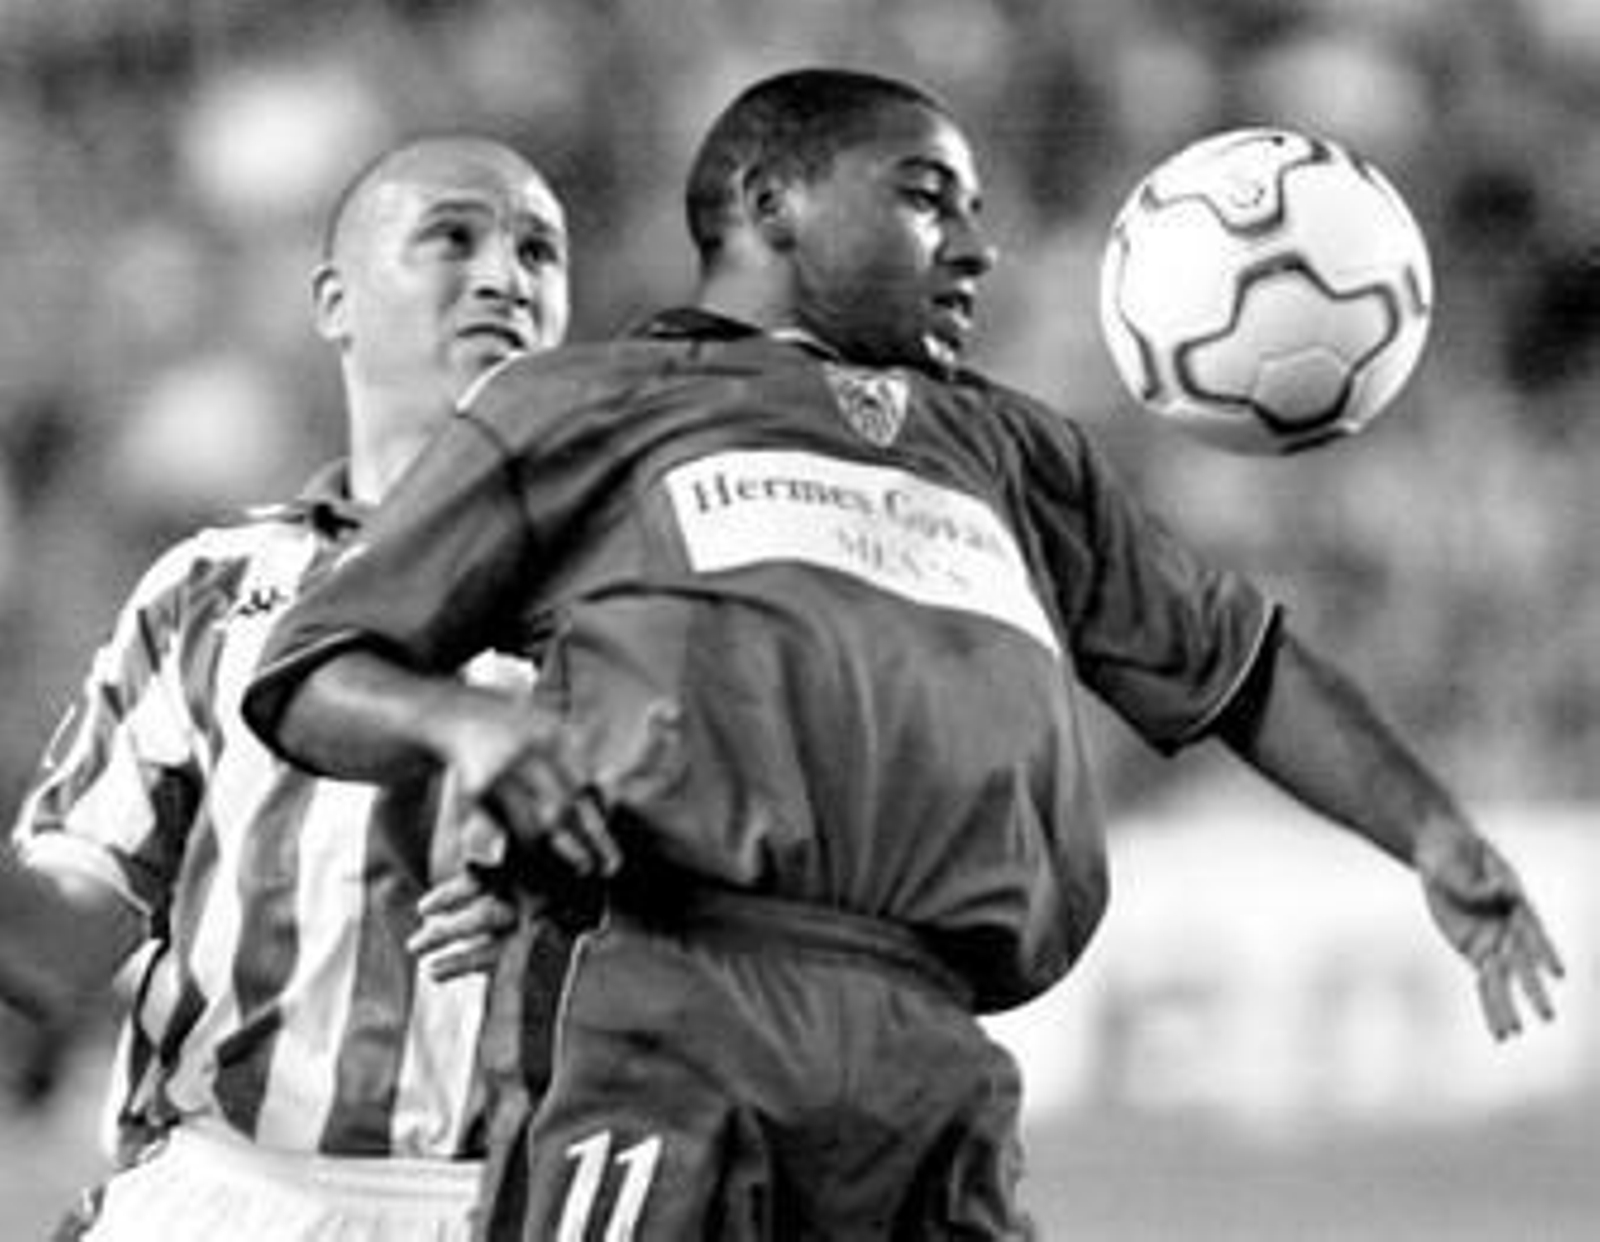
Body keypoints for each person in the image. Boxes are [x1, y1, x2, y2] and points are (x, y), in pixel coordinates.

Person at [242, 70, 1564, 1240]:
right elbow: (313, 667)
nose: (976, 247)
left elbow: (1238, 667)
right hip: (669, 1007)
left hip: (930, 1054)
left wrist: (1430, 832)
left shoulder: (1016, 451)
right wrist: (469, 727)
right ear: (771, 204)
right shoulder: (583, 403)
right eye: (929, 198)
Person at [0, 133, 571, 1241]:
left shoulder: (635, 604)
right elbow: (65, 930)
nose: (505, 277)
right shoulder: (210, 591)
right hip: (228, 1194)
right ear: (334, 302)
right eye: (453, 237)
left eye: (538, 252)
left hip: (513, 1205)